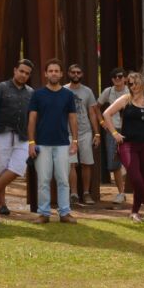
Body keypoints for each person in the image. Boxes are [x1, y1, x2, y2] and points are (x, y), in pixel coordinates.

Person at [102, 71, 144, 222]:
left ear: (142, 83)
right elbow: (106, 114)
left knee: (141, 180)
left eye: (135, 82)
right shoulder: (125, 99)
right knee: (135, 177)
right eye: (130, 83)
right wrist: (114, 133)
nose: (133, 86)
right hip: (128, 145)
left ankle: (134, 212)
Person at [27, 59, 78, 224]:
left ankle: (64, 213)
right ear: (45, 74)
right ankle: (44, 213)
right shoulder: (38, 94)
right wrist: (31, 142)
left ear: (61, 74)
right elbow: (32, 119)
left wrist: (75, 140)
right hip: (42, 143)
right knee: (43, 180)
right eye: (51, 71)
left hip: (63, 143)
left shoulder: (68, 95)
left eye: (57, 71)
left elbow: (72, 118)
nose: (54, 73)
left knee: (63, 179)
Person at [0, 59, 34, 216]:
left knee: (18, 168)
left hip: (22, 136)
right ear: (15, 70)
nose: (23, 75)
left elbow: (31, 117)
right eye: (21, 71)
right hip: (2, 133)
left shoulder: (31, 92)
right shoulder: (1, 88)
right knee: (0, 170)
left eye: (27, 73)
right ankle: (2, 204)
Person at [65, 63, 101, 205]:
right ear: (68, 73)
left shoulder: (87, 91)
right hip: (67, 132)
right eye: (73, 72)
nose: (75, 75)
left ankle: (86, 193)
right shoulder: (63, 90)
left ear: (82, 74)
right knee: (71, 163)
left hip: (85, 131)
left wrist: (97, 133)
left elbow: (92, 113)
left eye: (78, 72)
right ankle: (74, 194)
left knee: (87, 163)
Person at [97, 67, 130, 205]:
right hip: (112, 129)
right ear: (112, 79)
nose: (118, 79)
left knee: (132, 160)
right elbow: (96, 106)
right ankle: (121, 192)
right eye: (115, 77)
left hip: (128, 129)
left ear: (125, 78)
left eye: (120, 76)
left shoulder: (130, 91)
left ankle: (135, 190)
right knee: (114, 162)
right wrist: (102, 122)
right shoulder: (108, 91)